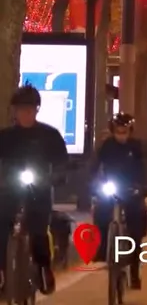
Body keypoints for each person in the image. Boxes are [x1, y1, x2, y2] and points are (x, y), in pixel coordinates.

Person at [0, 85, 69, 294]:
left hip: (39, 190)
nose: (26, 114)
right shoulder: (5, 137)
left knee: (39, 231)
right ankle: (2, 271)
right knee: (1, 226)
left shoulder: (49, 135)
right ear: (15, 111)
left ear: (37, 110)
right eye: (22, 110)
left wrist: (57, 177)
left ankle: (43, 268)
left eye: (30, 110)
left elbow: (62, 162)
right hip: (9, 189)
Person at [89, 114, 147, 289]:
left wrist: (144, 187)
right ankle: (103, 249)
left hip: (132, 189)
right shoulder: (106, 147)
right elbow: (94, 168)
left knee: (136, 224)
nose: (121, 134)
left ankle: (134, 270)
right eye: (118, 131)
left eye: (124, 131)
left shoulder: (138, 147)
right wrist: (92, 186)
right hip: (111, 188)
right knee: (101, 213)